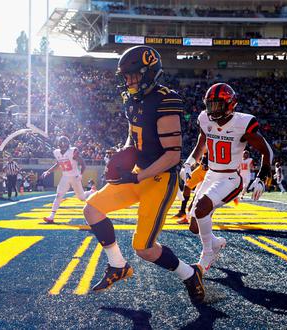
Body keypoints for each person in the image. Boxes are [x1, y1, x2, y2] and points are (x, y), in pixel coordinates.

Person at [83, 46, 205, 303]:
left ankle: (190, 273)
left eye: (131, 75)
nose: (127, 81)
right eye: (124, 76)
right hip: (138, 173)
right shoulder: (132, 99)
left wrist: (137, 177)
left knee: (144, 249)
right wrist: (124, 151)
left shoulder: (165, 100)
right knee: (92, 209)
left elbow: (172, 156)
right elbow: (132, 133)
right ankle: (118, 265)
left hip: (159, 179)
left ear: (147, 73)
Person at [184, 82, 273, 276]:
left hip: (230, 178)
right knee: (193, 225)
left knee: (201, 209)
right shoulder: (204, 118)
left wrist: (262, 176)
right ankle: (215, 243)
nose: (213, 110)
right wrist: (189, 163)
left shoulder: (243, 123)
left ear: (231, 104)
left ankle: (207, 254)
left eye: (218, 105)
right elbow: (201, 144)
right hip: (210, 175)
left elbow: (267, 151)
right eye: (211, 105)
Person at [42, 136, 92, 223]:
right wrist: (48, 171)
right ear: (59, 145)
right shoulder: (57, 153)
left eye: (64, 145)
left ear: (68, 145)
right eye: (62, 145)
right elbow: (58, 164)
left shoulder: (72, 151)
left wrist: (80, 174)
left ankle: (90, 192)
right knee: (59, 195)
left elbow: (83, 164)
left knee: (82, 197)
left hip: (75, 176)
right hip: (65, 177)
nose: (63, 146)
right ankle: (51, 216)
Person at [174, 153, 208, 224]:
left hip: (210, 171)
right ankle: (182, 211)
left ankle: (188, 217)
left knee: (197, 196)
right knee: (187, 185)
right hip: (201, 168)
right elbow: (200, 149)